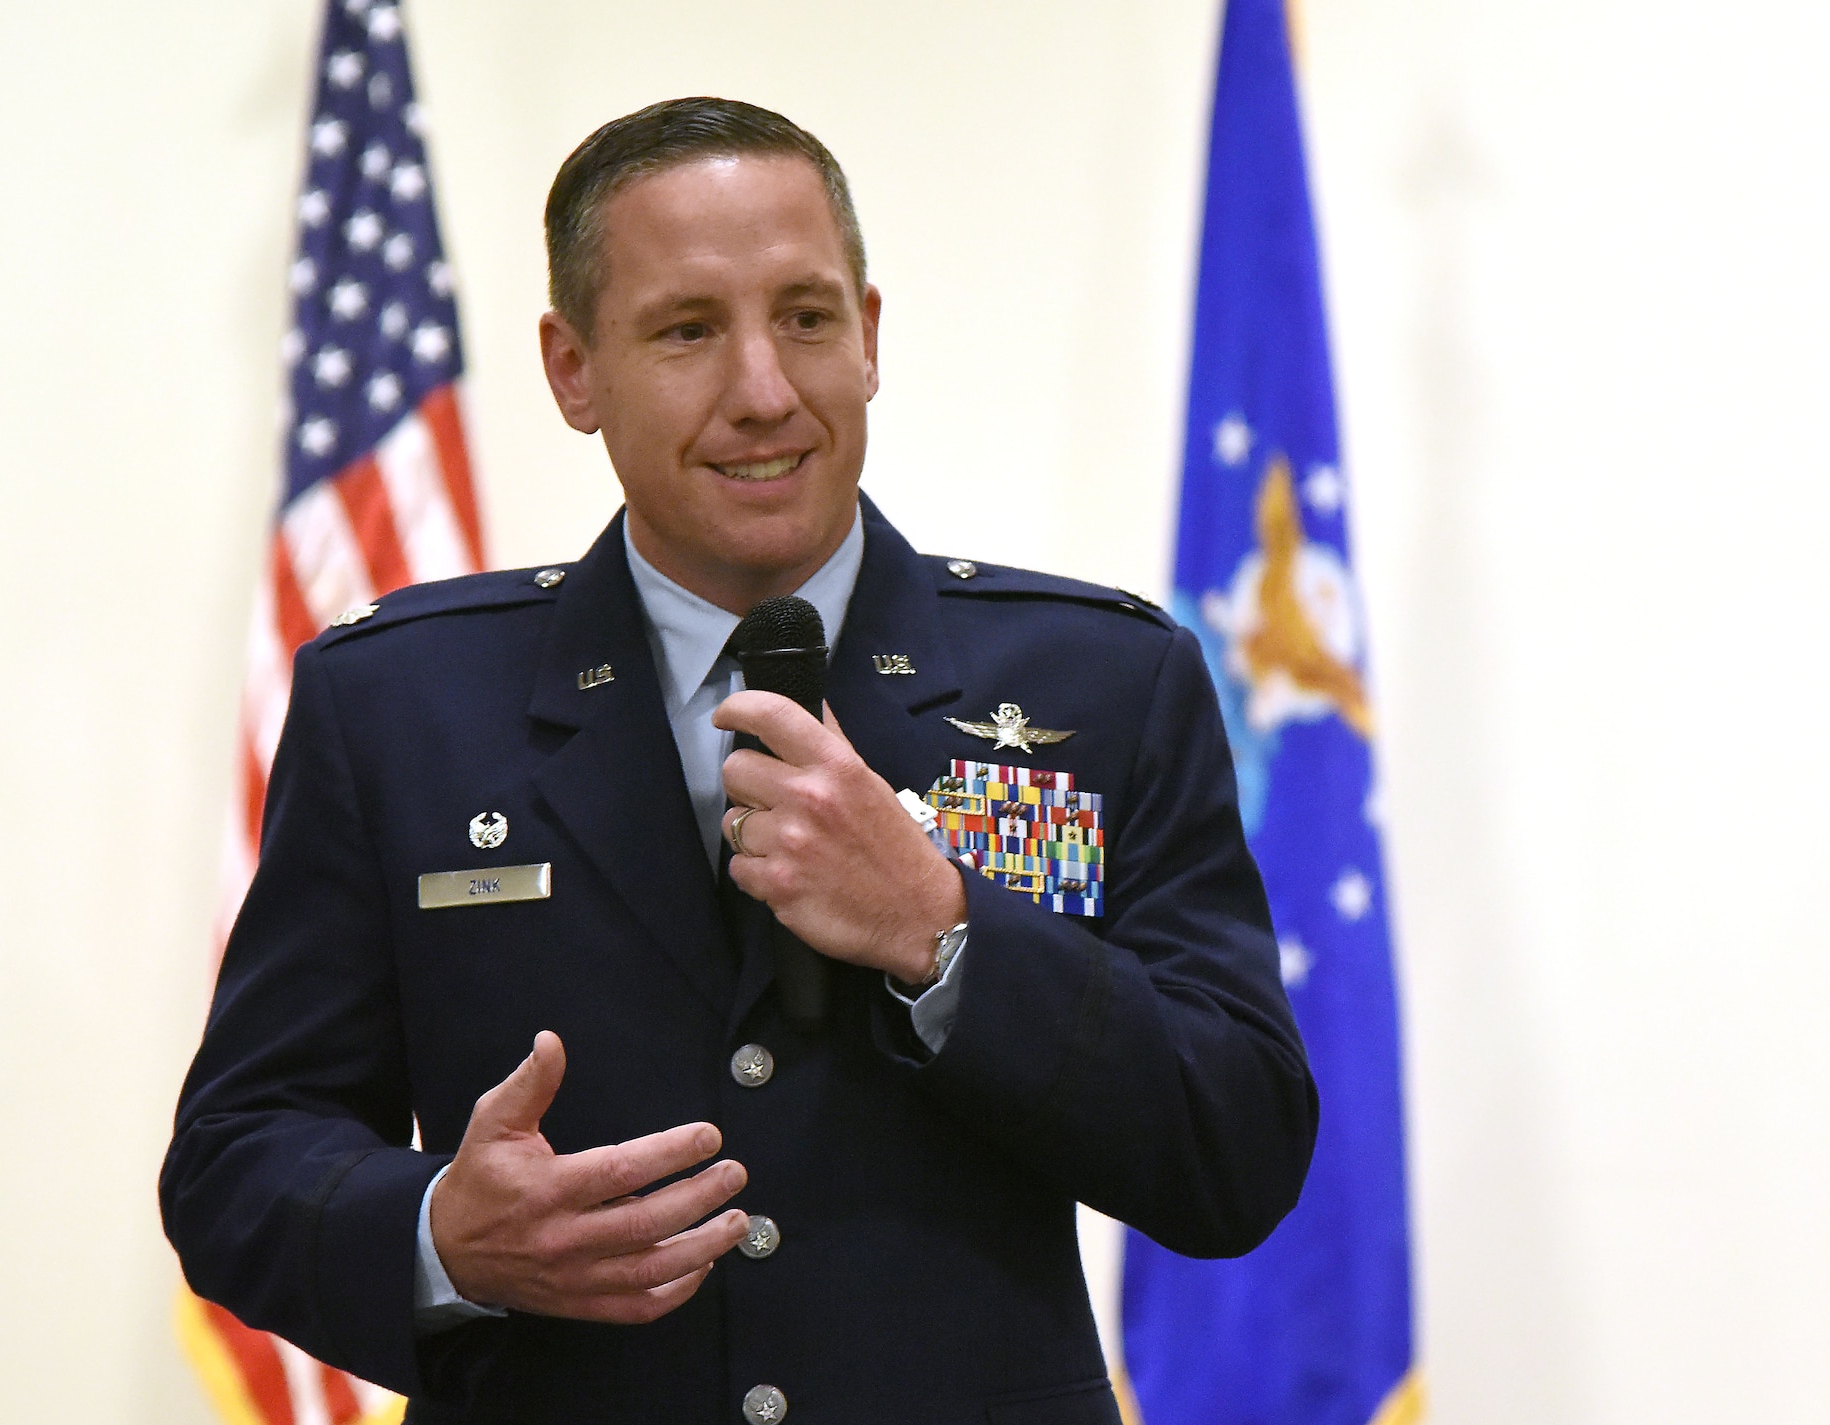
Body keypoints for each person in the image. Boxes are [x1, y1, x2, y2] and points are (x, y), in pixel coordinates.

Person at [162, 97, 1316, 1425]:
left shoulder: (1099, 685)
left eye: (808, 317)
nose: (764, 389)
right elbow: (238, 1162)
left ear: (870, 337)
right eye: (689, 329)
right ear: (572, 367)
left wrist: (945, 931)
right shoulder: (401, 706)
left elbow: (1242, 1146)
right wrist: (439, 1229)